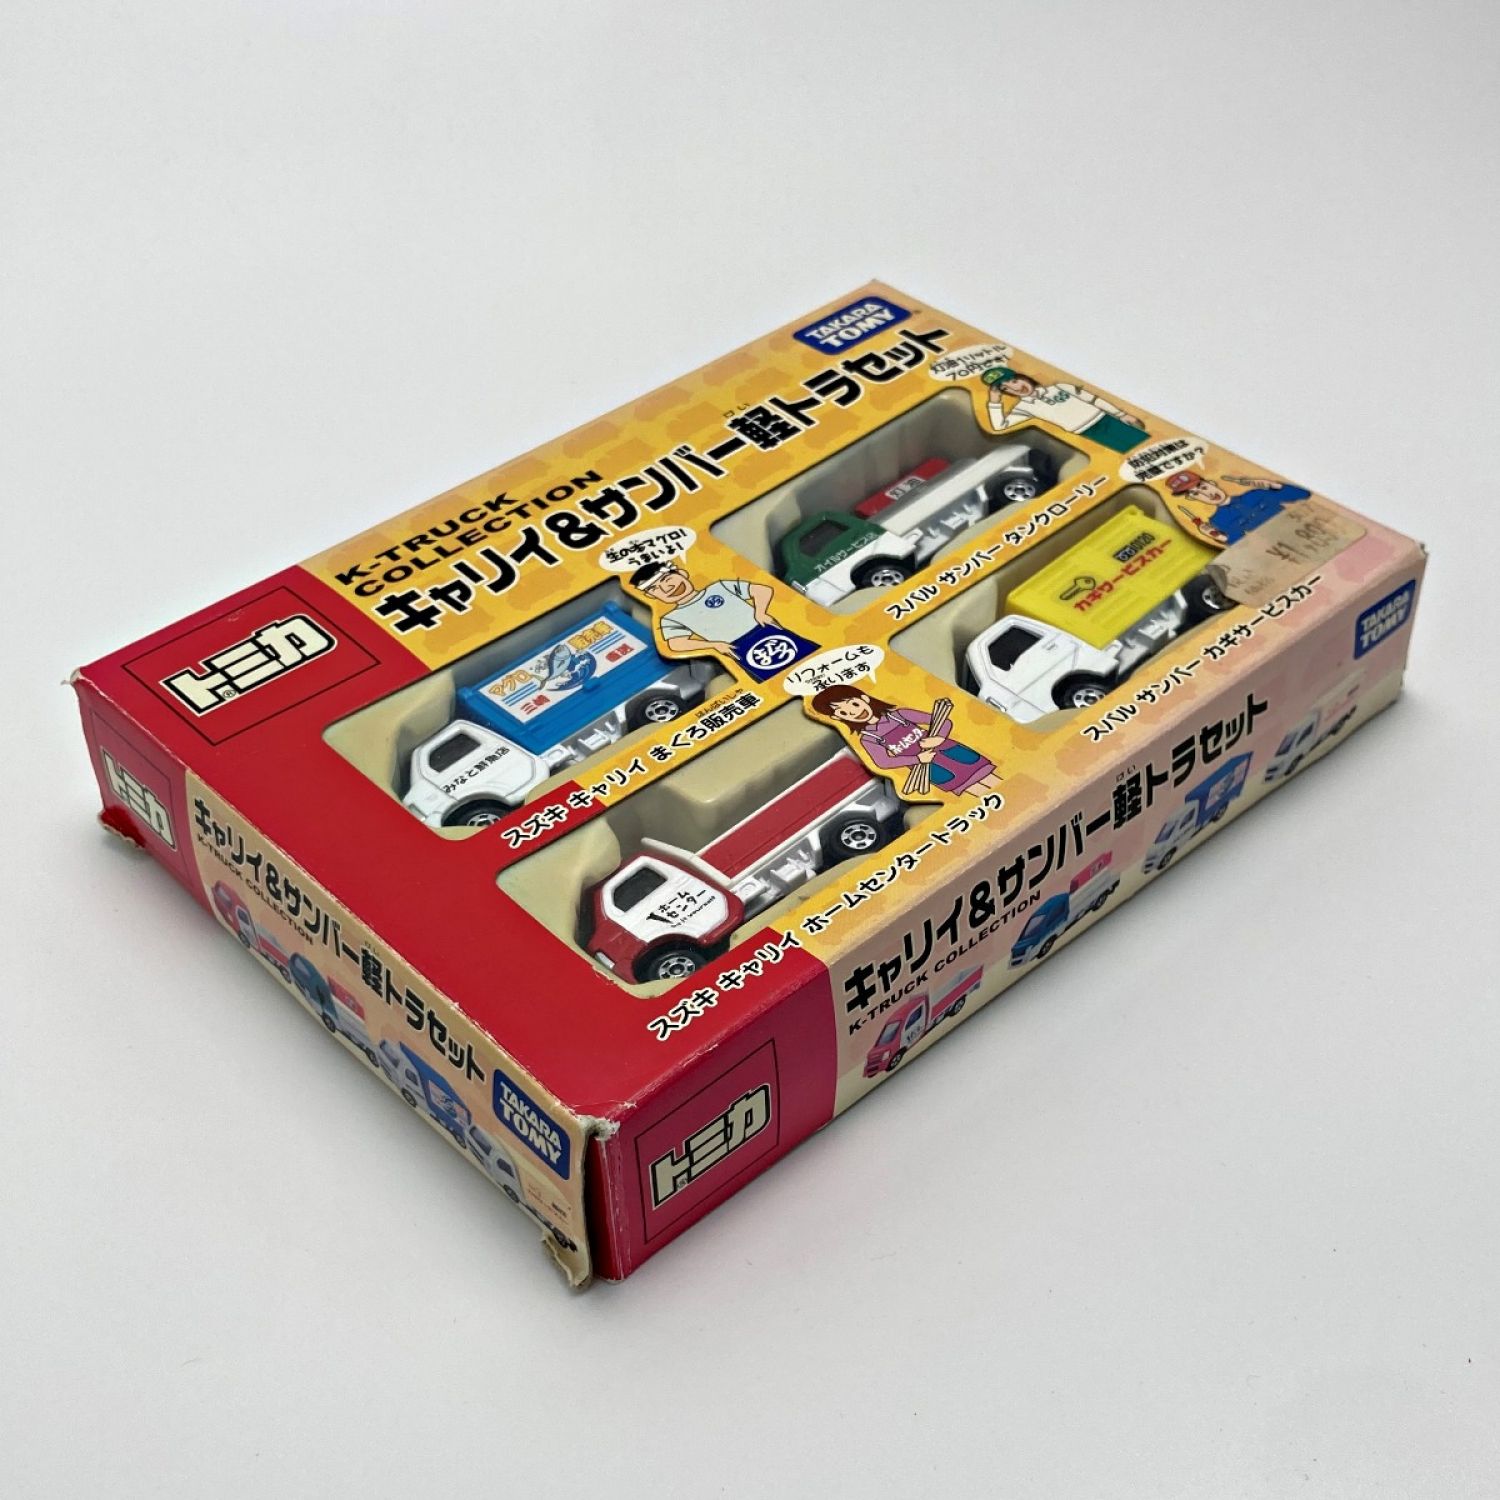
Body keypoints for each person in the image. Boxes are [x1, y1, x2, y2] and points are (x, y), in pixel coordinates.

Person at [630, 559, 815, 680]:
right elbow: (676, 644)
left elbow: (761, 590)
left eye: (667, 579)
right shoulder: (671, 618)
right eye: (655, 588)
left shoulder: (718, 587)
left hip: (765, 627)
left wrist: (760, 612)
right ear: (651, 596)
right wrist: (713, 645)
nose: (667, 588)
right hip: (736, 647)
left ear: (682, 573)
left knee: (813, 658)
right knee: (777, 679)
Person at [809, 685, 1000, 796]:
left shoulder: (900, 714)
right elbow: (884, 762)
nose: (854, 712)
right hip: (933, 768)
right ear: (837, 718)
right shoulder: (869, 739)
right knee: (977, 795)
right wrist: (917, 759)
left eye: (854, 704)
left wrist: (938, 738)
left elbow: (942, 720)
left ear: (864, 698)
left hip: (953, 752)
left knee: (996, 782)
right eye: (844, 712)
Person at [982, 364, 1148, 453]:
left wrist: (1121, 414)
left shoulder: (1059, 387)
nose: (1016, 388)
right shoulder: (1024, 407)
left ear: (1023, 378)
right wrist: (994, 402)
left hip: (1105, 420)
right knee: (1128, 454)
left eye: (1014, 381)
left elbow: (1092, 398)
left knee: (1143, 444)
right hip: (1086, 433)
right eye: (1006, 388)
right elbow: (1000, 426)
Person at [1165, 470, 1311, 545]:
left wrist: (1274, 485)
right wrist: (1218, 537)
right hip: (1282, 548)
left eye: (1204, 487)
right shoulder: (1218, 520)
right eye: (1196, 493)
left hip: (1306, 529)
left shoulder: (1255, 494)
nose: (1207, 494)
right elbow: (1242, 546)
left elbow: (1303, 495)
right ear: (1193, 498)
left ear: (1211, 483)